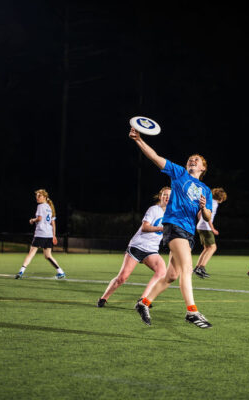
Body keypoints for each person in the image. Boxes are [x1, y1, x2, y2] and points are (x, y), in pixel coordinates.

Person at [129, 126, 213, 329]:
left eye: (197, 160)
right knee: (187, 268)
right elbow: (155, 157)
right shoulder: (179, 173)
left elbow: (207, 217)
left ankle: (144, 302)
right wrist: (139, 140)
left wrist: (203, 207)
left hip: (188, 232)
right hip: (174, 227)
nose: (192, 161)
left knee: (172, 275)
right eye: (190, 159)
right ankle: (192, 311)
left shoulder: (206, 190)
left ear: (203, 168)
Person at [97, 187, 171, 308]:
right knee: (122, 278)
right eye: (165, 195)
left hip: (151, 250)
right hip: (138, 246)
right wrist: (161, 228)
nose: (167, 197)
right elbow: (145, 228)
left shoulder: (171, 214)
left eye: (169, 195)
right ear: (160, 196)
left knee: (162, 272)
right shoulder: (154, 210)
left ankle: (143, 299)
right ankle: (103, 298)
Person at [15, 189, 66, 279]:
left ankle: (21, 272)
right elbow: (53, 223)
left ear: (45, 197)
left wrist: (32, 220)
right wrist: (54, 235)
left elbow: (39, 218)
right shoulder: (50, 207)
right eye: (36, 196)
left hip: (40, 233)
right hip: (48, 234)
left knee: (31, 253)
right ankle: (60, 272)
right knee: (48, 256)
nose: (37, 198)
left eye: (39, 196)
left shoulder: (40, 206)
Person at [194, 187, 227, 278]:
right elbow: (209, 218)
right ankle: (201, 268)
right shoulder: (215, 204)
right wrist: (213, 229)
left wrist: (200, 222)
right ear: (221, 198)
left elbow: (199, 214)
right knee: (213, 247)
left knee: (207, 248)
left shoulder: (208, 201)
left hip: (200, 226)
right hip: (206, 228)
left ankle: (197, 268)